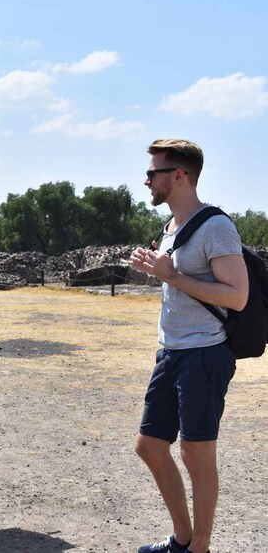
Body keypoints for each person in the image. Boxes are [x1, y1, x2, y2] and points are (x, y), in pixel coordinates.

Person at [128, 139, 248, 553]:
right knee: (149, 445)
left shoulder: (216, 226)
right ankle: (182, 538)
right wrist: (155, 269)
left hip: (204, 353)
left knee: (196, 455)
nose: (146, 181)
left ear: (178, 175)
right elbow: (176, 279)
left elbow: (237, 296)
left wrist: (173, 276)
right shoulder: (171, 229)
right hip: (172, 352)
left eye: (152, 173)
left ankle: (200, 546)